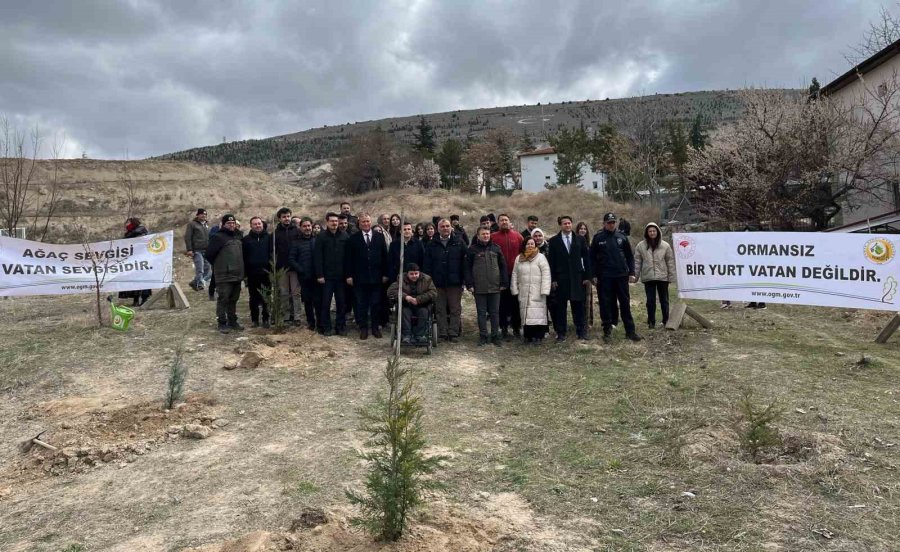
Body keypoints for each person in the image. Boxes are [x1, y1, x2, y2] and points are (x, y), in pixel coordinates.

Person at [591, 212, 642, 342]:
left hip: (621, 276)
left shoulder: (622, 237)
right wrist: (593, 275)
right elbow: (592, 259)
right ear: (604, 224)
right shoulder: (598, 238)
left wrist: (632, 272)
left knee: (625, 303)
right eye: (609, 222)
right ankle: (607, 331)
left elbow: (630, 256)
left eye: (613, 222)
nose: (611, 224)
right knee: (605, 304)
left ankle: (630, 331)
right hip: (605, 277)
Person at [344, 213, 389, 339]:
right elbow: (349, 260)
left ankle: (375, 327)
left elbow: (384, 256)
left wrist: (385, 274)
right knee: (361, 304)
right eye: (363, 222)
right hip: (360, 278)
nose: (366, 224)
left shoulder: (379, 237)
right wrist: (349, 276)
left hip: (376, 277)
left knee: (375, 303)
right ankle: (363, 328)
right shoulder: (353, 238)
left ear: (371, 221)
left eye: (368, 221)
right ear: (359, 223)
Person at [547, 216, 591, 342]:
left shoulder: (580, 239)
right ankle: (561, 333)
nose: (567, 225)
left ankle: (581, 332)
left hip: (577, 277)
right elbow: (552, 262)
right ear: (560, 225)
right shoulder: (554, 241)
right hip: (561, 279)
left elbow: (586, 258)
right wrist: (553, 279)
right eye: (565, 223)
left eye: (569, 223)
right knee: (560, 307)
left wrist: (587, 276)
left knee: (578, 306)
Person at [423, 218, 466, 343]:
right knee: (440, 309)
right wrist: (429, 281)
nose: (445, 228)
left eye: (447, 226)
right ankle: (442, 332)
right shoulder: (432, 244)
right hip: (438, 283)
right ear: (438, 229)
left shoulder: (459, 241)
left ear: (451, 227)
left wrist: (463, 279)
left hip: (455, 282)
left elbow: (465, 262)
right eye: (442, 226)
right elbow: (427, 265)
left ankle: (453, 332)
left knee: (455, 308)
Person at [465, 226, 508, 346]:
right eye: (483, 234)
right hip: (479, 288)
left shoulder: (496, 248)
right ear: (478, 236)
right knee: (481, 313)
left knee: (495, 313)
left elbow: (503, 266)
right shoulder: (472, 250)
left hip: (495, 287)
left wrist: (504, 283)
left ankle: (495, 336)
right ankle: (483, 336)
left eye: (487, 234)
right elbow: (467, 269)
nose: (486, 236)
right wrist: (470, 284)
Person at [206, 214, 245, 333]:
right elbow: (209, 255)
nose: (231, 225)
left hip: (237, 274)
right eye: (229, 223)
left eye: (233, 223)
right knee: (223, 299)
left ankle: (232, 321)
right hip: (224, 275)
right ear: (223, 225)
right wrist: (221, 265)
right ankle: (222, 323)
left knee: (234, 299)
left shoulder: (238, 236)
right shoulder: (218, 237)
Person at [633, 222, 676, 329]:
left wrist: (671, 276)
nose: (652, 233)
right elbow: (637, 262)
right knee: (650, 301)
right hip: (648, 277)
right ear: (647, 233)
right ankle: (651, 322)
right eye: (650, 231)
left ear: (657, 231)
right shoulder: (640, 246)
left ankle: (666, 320)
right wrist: (635, 276)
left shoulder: (665, 246)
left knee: (664, 300)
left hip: (662, 277)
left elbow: (670, 262)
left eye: (654, 231)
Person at [314, 212, 350, 336]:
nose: (335, 223)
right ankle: (326, 327)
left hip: (341, 277)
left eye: (336, 221)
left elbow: (348, 258)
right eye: (332, 221)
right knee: (325, 303)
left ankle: (340, 327)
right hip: (326, 277)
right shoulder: (321, 237)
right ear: (327, 222)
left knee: (341, 303)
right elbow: (317, 257)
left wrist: (348, 275)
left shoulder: (345, 236)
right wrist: (319, 275)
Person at [511, 237, 551, 344]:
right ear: (524, 245)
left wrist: (545, 290)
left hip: (537, 292)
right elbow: (514, 274)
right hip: (524, 291)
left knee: (538, 315)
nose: (530, 245)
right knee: (526, 315)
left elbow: (546, 274)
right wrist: (514, 289)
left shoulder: (541, 257)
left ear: (535, 245)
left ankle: (538, 336)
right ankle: (528, 337)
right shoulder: (519, 258)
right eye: (528, 244)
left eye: (532, 243)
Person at [387, 263, 438, 345]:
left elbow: (433, 292)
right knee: (405, 312)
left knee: (424, 312)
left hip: (422, 304)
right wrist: (406, 297)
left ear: (419, 273)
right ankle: (407, 335)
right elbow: (390, 291)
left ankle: (420, 335)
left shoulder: (427, 279)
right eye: (411, 274)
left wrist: (418, 299)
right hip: (407, 305)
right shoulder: (401, 279)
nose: (414, 276)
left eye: (416, 273)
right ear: (407, 274)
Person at [491, 214, 524, 339]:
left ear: (510, 222)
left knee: (516, 302)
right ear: (498, 223)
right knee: (502, 303)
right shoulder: (493, 237)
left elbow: (524, 253)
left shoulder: (517, 236)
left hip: (515, 275)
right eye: (502, 220)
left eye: (506, 220)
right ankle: (503, 327)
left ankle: (516, 327)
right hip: (499, 276)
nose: (504, 222)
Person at [242, 216, 273, 328]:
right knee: (253, 297)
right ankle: (255, 320)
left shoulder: (269, 238)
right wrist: (245, 274)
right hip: (252, 273)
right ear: (251, 225)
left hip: (266, 273)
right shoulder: (246, 240)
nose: (257, 225)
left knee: (267, 297)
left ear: (262, 224)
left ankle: (266, 318)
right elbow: (243, 257)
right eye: (255, 224)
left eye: (259, 223)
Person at [289, 217, 319, 331]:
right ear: (300, 228)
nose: (307, 228)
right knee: (308, 301)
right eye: (305, 226)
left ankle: (320, 322)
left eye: (309, 226)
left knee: (318, 301)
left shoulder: (317, 240)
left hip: (317, 276)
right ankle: (311, 323)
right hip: (304, 277)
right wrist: (301, 270)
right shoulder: (296, 243)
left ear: (312, 226)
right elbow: (291, 259)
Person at [273, 207, 301, 326]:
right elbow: (273, 251)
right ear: (279, 219)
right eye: (284, 217)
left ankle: (297, 317)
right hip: (282, 268)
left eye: (288, 216)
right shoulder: (275, 234)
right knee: (284, 293)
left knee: (296, 293)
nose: (286, 218)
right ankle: (285, 316)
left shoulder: (297, 231)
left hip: (295, 268)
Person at [119, 217, 151, 306]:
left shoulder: (141, 231)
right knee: (134, 280)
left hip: (142, 259)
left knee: (143, 279)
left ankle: (144, 298)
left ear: (133, 223)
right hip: (133, 259)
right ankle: (136, 300)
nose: (126, 225)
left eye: (128, 223)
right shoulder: (130, 233)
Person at [184, 208, 211, 291]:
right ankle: (199, 284)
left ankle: (194, 282)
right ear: (197, 215)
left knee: (209, 270)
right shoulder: (192, 224)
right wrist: (189, 249)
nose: (204, 216)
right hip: (197, 251)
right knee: (200, 269)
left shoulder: (206, 225)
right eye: (202, 214)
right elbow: (187, 237)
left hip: (206, 250)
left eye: (205, 214)